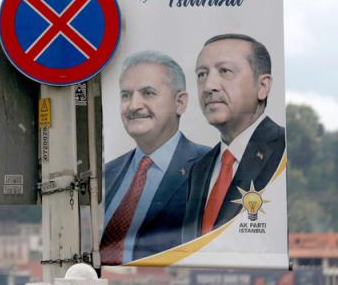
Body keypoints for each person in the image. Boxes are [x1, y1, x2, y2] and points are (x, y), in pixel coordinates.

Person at [101, 51, 208, 264]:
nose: (133, 105)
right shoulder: (107, 173)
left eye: (148, 93)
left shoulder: (211, 167)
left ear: (180, 103)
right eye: (126, 95)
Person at [182, 34, 286, 241]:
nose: (209, 85)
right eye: (202, 74)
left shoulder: (286, 150)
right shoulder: (199, 168)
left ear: (262, 86)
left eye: (225, 71)